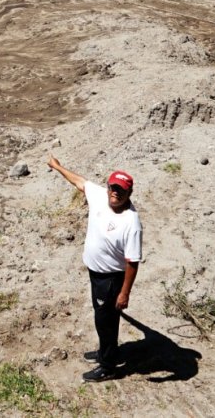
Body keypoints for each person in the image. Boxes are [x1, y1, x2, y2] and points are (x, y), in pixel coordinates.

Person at [48, 154, 142, 382]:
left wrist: (124, 293)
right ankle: (108, 352)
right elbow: (79, 182)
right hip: (96, 273)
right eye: (113, 187)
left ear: (129, 193)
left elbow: (132, 262)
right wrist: (57, 166)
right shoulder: (100, 196)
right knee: (106, 318)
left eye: (121, 190)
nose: (115, 193)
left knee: (105, 321)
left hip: (111, 278)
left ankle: (108, 366)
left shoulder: (131, 222)